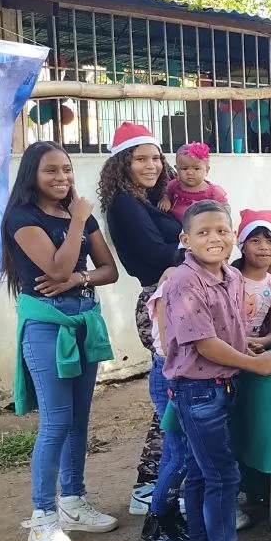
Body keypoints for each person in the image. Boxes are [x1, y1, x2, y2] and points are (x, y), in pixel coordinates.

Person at [162, 200, 271, 541]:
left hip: (222, 386)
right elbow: (203, 342)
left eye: (221, 230)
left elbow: (225, 330)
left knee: (202, 475)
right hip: (198, 391)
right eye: (203, 232)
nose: (214, 238)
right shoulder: (185, 282)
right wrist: (252, 362)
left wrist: (248, 346)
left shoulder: (231, 276)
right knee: (222, 478)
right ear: (185, 240)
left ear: (232, 235)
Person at [5, 141, 120, 541]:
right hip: (47, 328)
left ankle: (73, 502)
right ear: (32, 175)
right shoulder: (22, 218)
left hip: (84, 323)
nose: (62, 178)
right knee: (55, 422)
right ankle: (42, 519)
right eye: (51, 171)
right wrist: (76, 225)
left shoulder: (79, 215)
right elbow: (54, 265)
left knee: (79, 420)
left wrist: (76, 281)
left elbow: (109, 270)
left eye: (67, 170)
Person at [99, 122, 183, 515]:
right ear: (123, 163)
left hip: (175, 296)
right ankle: (148, 485)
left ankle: (164, 479)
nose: (151, 165)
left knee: (178, 394)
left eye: (155, 158)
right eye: (140, 159)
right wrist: (191, 242)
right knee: (170, 396)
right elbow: (157, 256)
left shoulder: (148, 201)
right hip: (161, 302)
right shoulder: (124, 205)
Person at [136, 257, 190, 541]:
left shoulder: (218, 278)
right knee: (177, 453)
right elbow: (170, 346)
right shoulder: (174, 279)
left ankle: (168, 518)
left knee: (178, 452)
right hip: (171, 374)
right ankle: (155, 524)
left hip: (183, 373)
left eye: (223, 231)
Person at [232, 211, 271, 352]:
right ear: (242, 247)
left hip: (253, 349)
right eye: (255, 241)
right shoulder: (228, 278)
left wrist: (261, 342)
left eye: (270, 241)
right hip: (224, 349)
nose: (264, 246)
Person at [161, 142, 227, 221]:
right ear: (177, 169)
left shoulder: (213, 191)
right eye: (184, 168)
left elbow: (225, 208)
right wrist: (165, 199)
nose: (190, 173)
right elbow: (166, 192)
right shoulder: (175, 184)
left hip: (201, 226)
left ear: (207, 170)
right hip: (175, 222)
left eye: (196, 169)